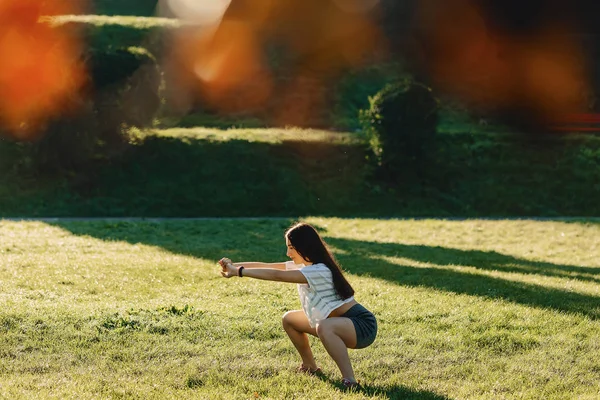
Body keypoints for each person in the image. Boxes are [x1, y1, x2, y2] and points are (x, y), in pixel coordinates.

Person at [218, 222, 377, 389]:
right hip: (340, 322)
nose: (288, 253)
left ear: (305, 246)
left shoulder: (319, 270)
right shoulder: (305, 266)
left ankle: (350, 381)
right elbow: (270, 266)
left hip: (362, 326)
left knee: (325, 327)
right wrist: (233, 267)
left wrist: (240, 272)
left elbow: (276, 275)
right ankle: (310, 367)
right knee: (290, 319)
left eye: (292, 247)